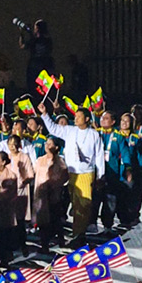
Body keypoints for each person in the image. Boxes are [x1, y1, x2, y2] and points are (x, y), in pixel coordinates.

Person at [38, 103, 104, 241]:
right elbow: (53, 128)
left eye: (79, 117)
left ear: (87, 119)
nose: (76, 119)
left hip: (86, 173)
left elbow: (99, 155)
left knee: (84, 204)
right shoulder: (70, 131)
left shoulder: (94, 134)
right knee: (75, 204)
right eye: (75, 116)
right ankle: (78, 232)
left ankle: (79, 234)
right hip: (71, 172)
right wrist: (44, 114)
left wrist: (100, 175)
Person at [31, 136, 67, 252]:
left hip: (53, 195)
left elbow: (64, 176)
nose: (47, 145)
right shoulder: (40, 160)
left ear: (56, 147)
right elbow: (34, 172)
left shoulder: (60, 161)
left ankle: (60, 239)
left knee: (55, 218)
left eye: (50, 144)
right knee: (42, 221)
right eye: (46, 143)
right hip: (41, 195)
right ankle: (44, 245)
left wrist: (54, 184)